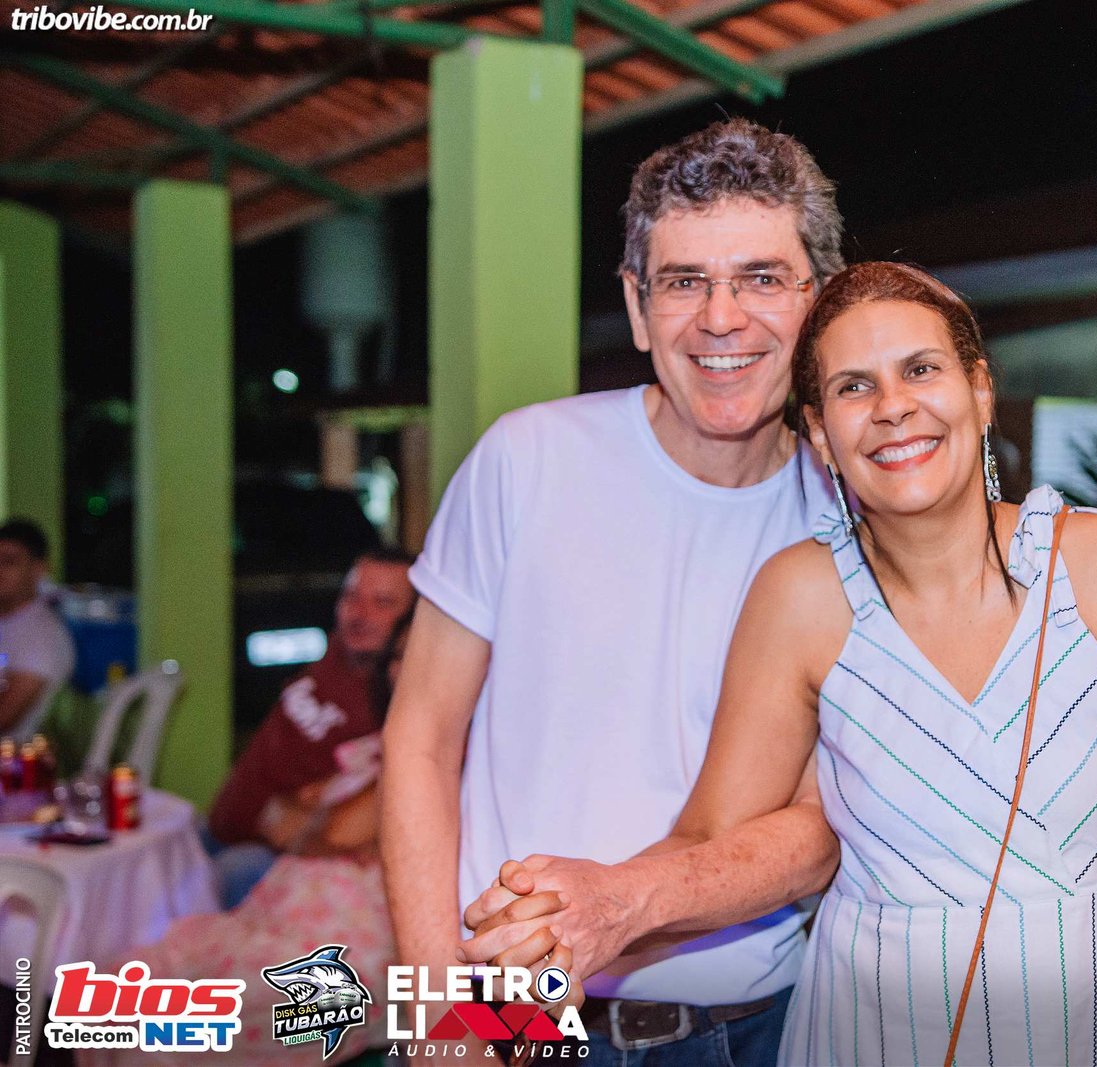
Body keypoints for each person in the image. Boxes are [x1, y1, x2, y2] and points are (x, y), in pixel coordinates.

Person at [464, 263, 1097, 1066]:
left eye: (921, 369)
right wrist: (575, 920)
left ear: (980, 390)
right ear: (819, 431)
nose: (892, 406)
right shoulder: (801, 598)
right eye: (854, 386)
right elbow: (713, 839)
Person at [382, 118, 845, 1065]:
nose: (722, 318)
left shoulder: (849, 522)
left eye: (762, 277)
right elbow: (420, 736)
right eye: (684, 281)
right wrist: (436, 1018)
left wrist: (623, 903)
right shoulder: (527, 459)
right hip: (514, 1021)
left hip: (747, 1030)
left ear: (821, 303)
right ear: (637, 307)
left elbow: (818, 826)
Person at [81, 611, 412, 1067]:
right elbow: (280, 815)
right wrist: (319, 827)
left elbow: (335, 828)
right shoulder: (376, 744)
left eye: (415, 656)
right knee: (116, 988)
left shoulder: (425, 756)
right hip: (272, 915)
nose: (402, 667)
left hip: (336, 938)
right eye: (398, 655)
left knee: (171, 1031)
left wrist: (317, 826)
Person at [206, 548, 414, 907]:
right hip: (224, 827)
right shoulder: (338, 652)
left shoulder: (394, 697)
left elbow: (347, 822)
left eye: (382, 603)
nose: (359, 614)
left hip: (277, 860)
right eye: (351, 597)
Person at [0, 518, 74, 741]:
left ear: (38, 569)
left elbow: (5, 717)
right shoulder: (8, 621)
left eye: (9, 562)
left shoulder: (41, 635)